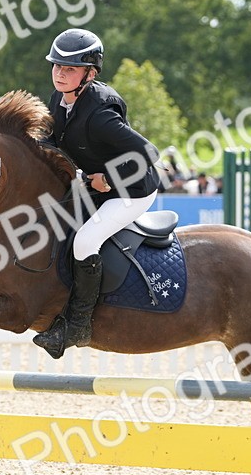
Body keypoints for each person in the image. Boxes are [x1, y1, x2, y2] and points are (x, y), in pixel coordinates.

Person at [31, 28, 161, 358]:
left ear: (90, 73)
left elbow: (149, 153)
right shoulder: (58, 99)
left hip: (130, 191)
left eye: (69, 68)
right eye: (57, 66)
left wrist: (110, 179)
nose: (60, 73)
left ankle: (78, 325)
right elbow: (51, 142)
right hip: (93, 186)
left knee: (85, 241)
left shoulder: (101, 114)